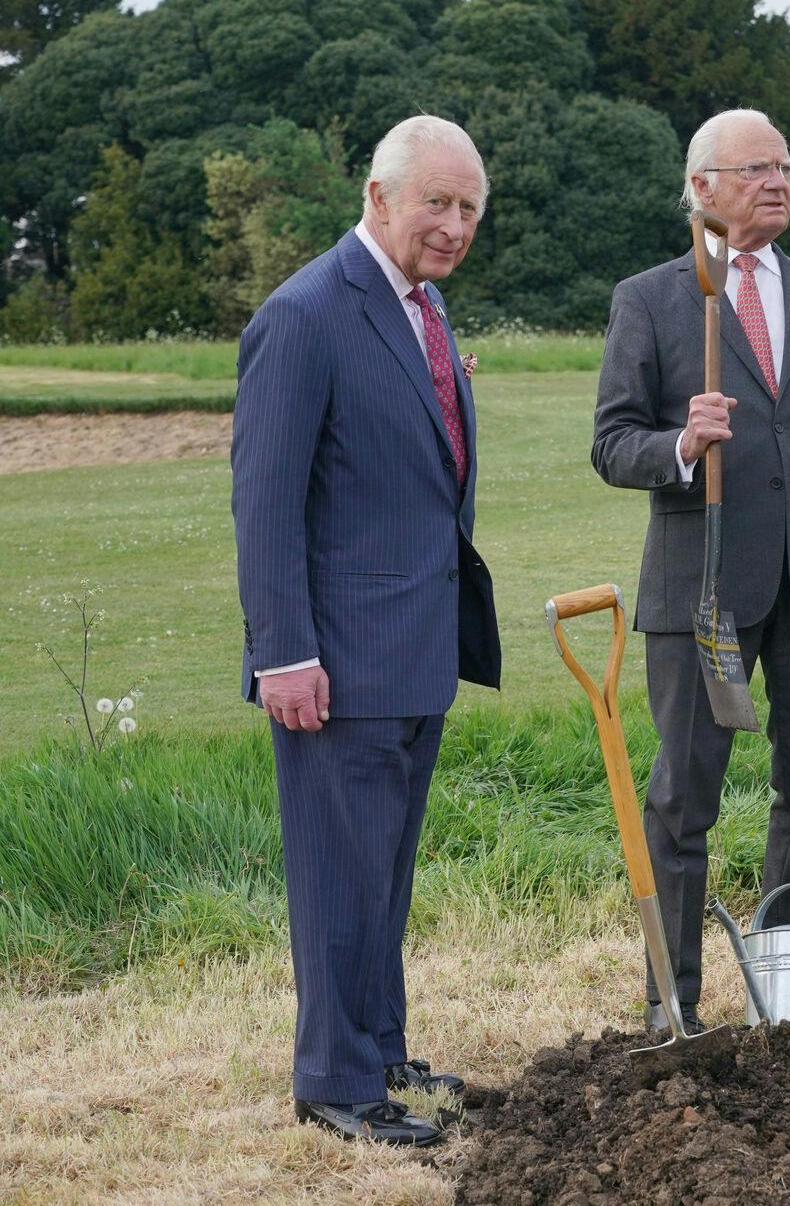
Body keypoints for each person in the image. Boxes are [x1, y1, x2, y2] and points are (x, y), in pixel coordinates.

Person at [590, 108, 790, 1034]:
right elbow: (611, 444)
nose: (777, 182)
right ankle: (673, 1004)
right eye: (755, 169)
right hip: (702, 591)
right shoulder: (652, 300)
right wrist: (681, 443)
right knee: (682, 799)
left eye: (785, 166)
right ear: (702, 190)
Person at [231, 115, 501, 1145]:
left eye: (469, 207)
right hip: (334, 662)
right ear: (378, 195)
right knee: (340, 874)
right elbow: (266, 501)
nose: (454, 224)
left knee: (383, 870)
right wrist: (284, 651)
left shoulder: (423, 309)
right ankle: (335, 1082)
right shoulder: (306, 314)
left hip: (417, 649)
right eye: (437, 200)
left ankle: (381, 1049)